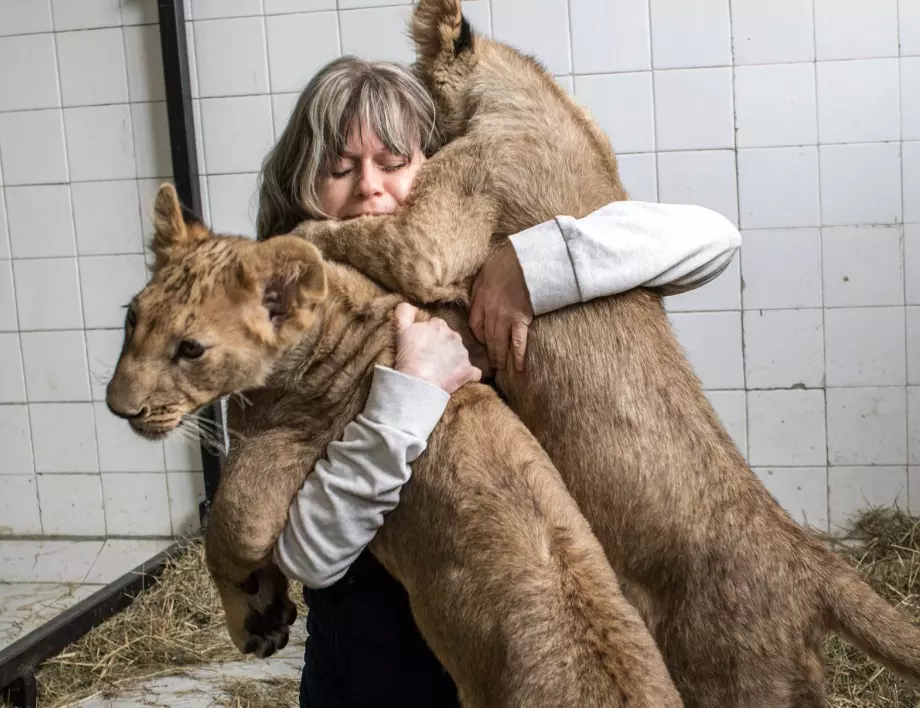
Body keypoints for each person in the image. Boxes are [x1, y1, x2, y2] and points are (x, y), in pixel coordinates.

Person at [255, 56, 741, 708]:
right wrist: (413, 391)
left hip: (538, 657)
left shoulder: (478, 258)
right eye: (339, 170)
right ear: (301, 189)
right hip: (384, 674)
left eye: (394, 162)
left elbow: (715, 237)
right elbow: (311, 554)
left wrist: (531, 265)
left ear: (437, 165)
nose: (370, 188)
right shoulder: (285, 323)